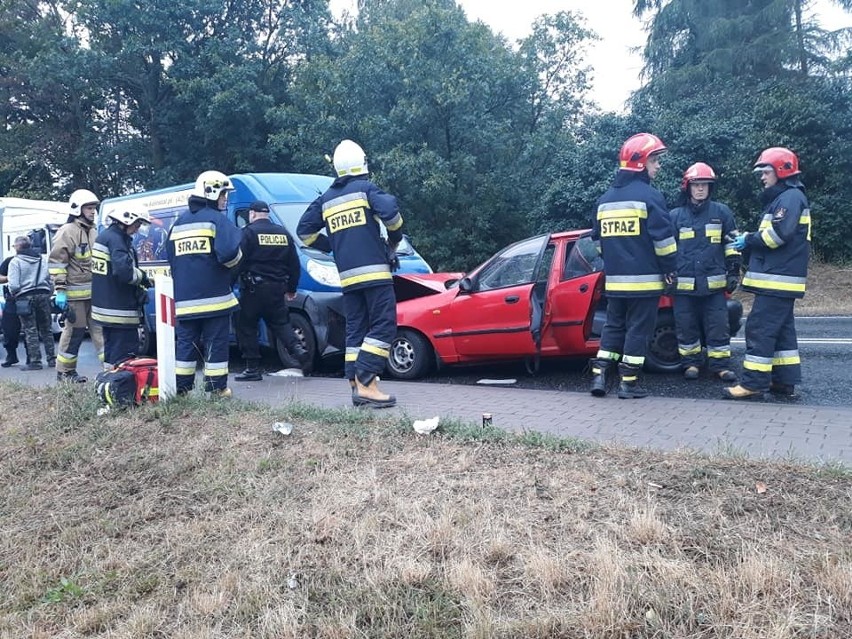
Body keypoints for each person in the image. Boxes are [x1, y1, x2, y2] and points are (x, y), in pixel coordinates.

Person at [297, 139, 403, 408]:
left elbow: (305, 233)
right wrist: (394, 239)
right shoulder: (366, 189)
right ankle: (367, 381)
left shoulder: (326, 199)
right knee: (384, 324)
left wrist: (332, 245)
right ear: (362, 163)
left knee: (355, 330)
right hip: (375, 274)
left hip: (348, 278)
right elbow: (391, 213)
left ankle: (355, 385)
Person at [589, 132, 677, 399]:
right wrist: (670, 269)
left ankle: (600, 378)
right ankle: (628, 384)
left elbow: (597, 242)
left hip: (615, 282)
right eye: (655, 160)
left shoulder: (604, 200)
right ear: (640, 162)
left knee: (613, 327)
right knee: (639, 330)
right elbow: (664, 241)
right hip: (646, 281)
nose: (658, 166)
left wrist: (616, 261)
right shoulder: (650, 197)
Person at [723, 147, 810, 400]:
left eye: (766, 171)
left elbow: (778, 236)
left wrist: (747, 239)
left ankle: (752, 383)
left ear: (781, 170)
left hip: (777, 279)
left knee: (759, 329)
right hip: (781, 279)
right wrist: (748, 239)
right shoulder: (787, 197)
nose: (762, 177)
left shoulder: (790, 198)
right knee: (782, 332)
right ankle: (784, 382)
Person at [166, 170, 242, 397]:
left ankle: (181, 389)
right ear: (211, 191)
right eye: (223, 195)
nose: (225, 199)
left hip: (185, 301)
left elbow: (171, 258)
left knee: (186, 345)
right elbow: (229, 254)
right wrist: (236, 265)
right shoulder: (217, 220)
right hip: (215, 300)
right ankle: (217, 388)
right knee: (215, 344)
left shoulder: (178, 223)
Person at [669, 162, 741, 382]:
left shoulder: (722, 212)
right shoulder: (675, 216)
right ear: (687, 187)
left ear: (711, 188)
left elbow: (732, 244)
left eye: (705, 185)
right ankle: (690, 364)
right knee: (686, 325)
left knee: (718, 325)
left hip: (713, 284)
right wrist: (667, 275)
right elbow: (667, 249)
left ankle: (720, 366)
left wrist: (733, 271)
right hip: (683, 285)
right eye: (696, 185)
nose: (700, 189)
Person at [234, 200, 309, 382]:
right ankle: (297, 350)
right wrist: (291, 288)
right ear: (267, 214)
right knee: (280, 323)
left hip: (253, 289)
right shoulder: (283, 233)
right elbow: (294, 264)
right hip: (278, 289)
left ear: (252, 214)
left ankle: (252, 369)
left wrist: (228, 284)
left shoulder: (248, 233)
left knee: (246, 325)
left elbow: (238, 262)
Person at [49, 188, 105, 382]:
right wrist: (60, 291)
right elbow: (57, 263)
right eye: (88, 208)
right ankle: (65, 372)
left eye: (93, 208)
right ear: (77, 209)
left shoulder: (94, 232)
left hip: (95, 293)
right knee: (74, 332)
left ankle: (110, 371)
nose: (92, 211)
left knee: (101, 331)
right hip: (74, 295)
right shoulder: (67, 231)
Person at [91, 205, 152, 368]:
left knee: (111, 354)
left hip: (106, 309)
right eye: (137, 225)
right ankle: (119, 389)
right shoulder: (117, 240)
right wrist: (143, 278)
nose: (137, 230)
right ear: (126, 221)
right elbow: (124, 272)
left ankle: (110, 384)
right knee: (123, 355)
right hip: (119, 311)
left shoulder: (105, 237)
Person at [8, 236, 55, 370]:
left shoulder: (15, 262)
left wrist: (15, 293)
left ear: (18, 247)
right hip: (43, 294)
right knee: (47, 328)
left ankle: (35, 361)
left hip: (25, 298)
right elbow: (49, 278)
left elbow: (14, 285)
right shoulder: (41, 259)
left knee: (30, 330)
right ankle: (52, 359)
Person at [0, 253, 22, 367]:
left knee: (31, 330)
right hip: (12, 299)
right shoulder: (10, 260)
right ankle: (11, 356)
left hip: (29, 298)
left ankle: (33, 359)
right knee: (8, 329)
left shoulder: (36, 260)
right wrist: (11, 277)